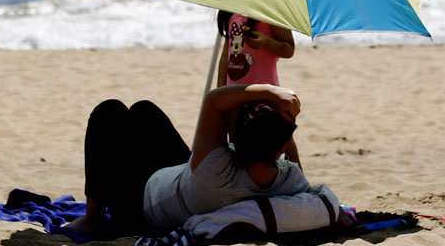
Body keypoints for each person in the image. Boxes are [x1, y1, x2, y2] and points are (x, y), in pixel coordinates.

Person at [64, 83, 308, 237]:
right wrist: (288, 145)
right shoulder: (289, 180)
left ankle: (92, 219)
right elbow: (296, 173)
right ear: (282, 148)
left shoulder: (215, 168)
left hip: (143, 205)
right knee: (144, 111)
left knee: (110, 111)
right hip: (181, 182)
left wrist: (270, 91)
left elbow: (215, 99)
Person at [216, 10, 300, 165]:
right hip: (234, 90)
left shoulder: (270, 12)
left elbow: (289, 49)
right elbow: (225, 56)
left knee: (282, 135)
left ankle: (298, 179)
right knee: (235, 136)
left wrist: (266, 42)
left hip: (265, 89)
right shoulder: (230, 11)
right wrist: (220, 90)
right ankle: (242, 179)